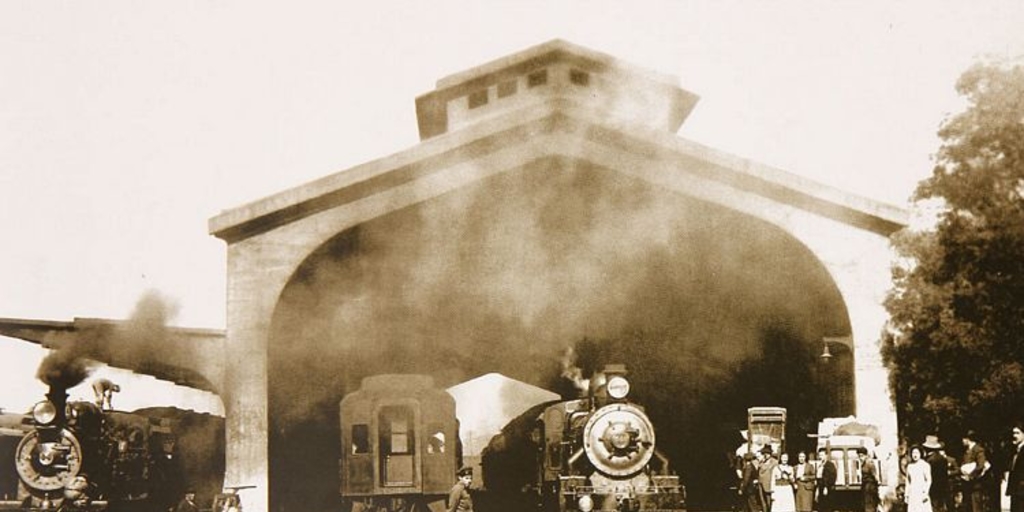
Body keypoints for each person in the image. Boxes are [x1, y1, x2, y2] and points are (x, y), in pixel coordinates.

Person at [961, 430, 990, 512]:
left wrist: (970, 476)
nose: (962, 441)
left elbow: (980, 466)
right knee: (968, 507)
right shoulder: (967, 451)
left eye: (963, 439)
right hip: (967, 484)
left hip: (975, 484)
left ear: (967, 439)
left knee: (976, 508)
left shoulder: (979, 450)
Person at [924, 435, 953, 512]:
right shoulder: (942, 458)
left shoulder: (930, 460)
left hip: (933, 488)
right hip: (942, 487)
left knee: (934, 507)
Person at [906, 446, 933, 512]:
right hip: (912, 493)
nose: (915, 455)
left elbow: (929, 480)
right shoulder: (910, 466)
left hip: (921, 492)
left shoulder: (925, 465)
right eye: (913, 453)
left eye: (917, 453)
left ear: (920, 454)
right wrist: (906, 495)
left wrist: (925, 492)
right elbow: (908, 481)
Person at [1006, 424, 1024, 512]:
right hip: (1015, 490)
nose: (1014, 436)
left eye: (1017, 433)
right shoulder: (1015, 450)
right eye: (1013, 433)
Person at [860, 446, 881, 512]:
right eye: (859, 456)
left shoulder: (869, 463)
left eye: (861, 456)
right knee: (866, 504)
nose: (860, 458)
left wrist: (877, 484)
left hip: (870, 486)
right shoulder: (863, 463)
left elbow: (875, 475)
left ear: (866, 455)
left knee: (870, 505)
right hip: (866, 486)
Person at [817, 448, 837, 512]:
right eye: (820, 455)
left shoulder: (830, 465)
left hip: (827, 488)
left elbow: (832, 477)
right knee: (821, 505)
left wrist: (826, 487)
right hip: (821, 487)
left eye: (822, 455)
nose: (821, 457)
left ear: (826, 455)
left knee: (827, 506)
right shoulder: (820, 465)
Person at [759, 446, 779, 512]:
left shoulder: (775, 462)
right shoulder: (762, 461)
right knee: (763, 501)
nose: (765, 455)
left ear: (770, 453)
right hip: (761, 484)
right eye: (764, 453)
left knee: (769, 502)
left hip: (769, 485)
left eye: (767, 453)